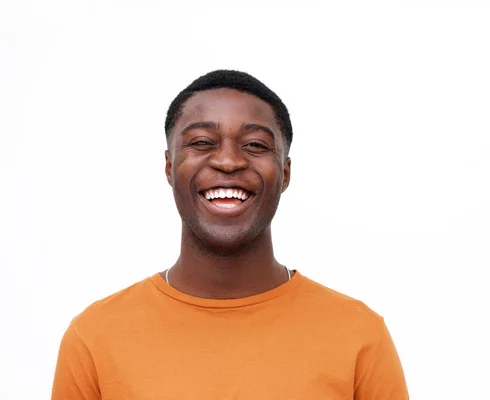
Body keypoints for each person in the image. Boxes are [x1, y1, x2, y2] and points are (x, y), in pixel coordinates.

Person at [51, 70, 410, 399]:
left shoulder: (359, 335)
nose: (228, 161)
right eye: (202, 142)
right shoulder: (95, 337)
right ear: (169, 166)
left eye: (255, 145)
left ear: (284, 173)